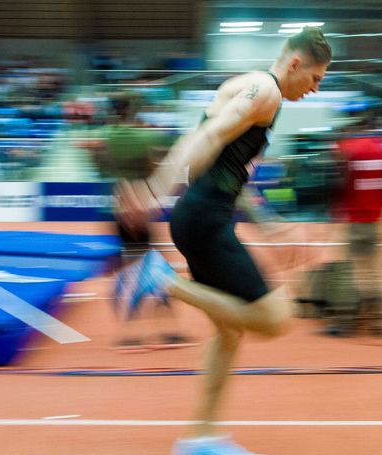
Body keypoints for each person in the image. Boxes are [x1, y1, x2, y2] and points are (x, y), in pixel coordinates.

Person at [117, 27, 331, 454]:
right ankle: (160, 280)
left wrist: (269, 225)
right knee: (274, 319)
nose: (314, 89)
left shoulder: (254, 88)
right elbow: (206, 138)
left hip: (205, 216)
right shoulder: (264, 91)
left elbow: (231, 169)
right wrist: (156, 190)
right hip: (202, 219)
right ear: (294, 64)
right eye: (315, 79)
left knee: (229, 333)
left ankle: (199, 438)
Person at [80, 94, 193, 352]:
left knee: (129, 269)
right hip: (141, 206)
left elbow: (99, 167)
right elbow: (156, 165)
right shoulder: (144, 136)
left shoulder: (105, 137)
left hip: (120, 206)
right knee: (158, 267)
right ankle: (168, 329)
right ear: (134, 111)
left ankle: (129, 333)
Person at [329, 111, 382, 336]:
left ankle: (347, 321)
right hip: (378, 220)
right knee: (379, 270)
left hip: (354, 220)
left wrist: (336, 209)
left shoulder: (348, 148)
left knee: (350, 270)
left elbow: (339, 181)